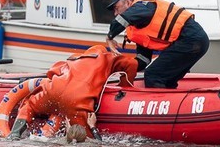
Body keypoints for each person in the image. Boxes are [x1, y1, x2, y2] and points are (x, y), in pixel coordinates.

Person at [8, 44, 137, 140]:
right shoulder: (107, 58)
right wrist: (125, 86)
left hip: (53, 90)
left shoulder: (73, 59)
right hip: (78, 99)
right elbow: (132, 64)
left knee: (29, 106)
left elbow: (51, 73)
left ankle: (14, 134)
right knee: (86, 141)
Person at [105, 0, 209, 89]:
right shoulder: (139, 24)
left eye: (116, 8)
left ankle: (162, 103)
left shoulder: (142, 6)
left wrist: (110, 36)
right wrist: (126, 65)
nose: (115, 13)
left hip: (191, 39)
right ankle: (171, 101)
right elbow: (144, 59)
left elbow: (122, 20)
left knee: (153, 75)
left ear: (128, 2)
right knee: (165, 78)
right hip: (190, 42)